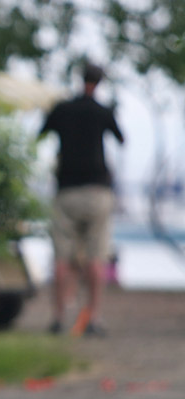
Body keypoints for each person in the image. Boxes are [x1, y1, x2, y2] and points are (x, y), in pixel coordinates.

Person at [39, 63, 125, 336]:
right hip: (97, 190)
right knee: (96, 256)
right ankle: (93, 318)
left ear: (80, 78)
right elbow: (121, 139)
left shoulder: (63, 108)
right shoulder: (102, 111)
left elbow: (42, 132)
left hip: (66, 189)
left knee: (62, 257)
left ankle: (57, 318)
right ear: (99, 82)